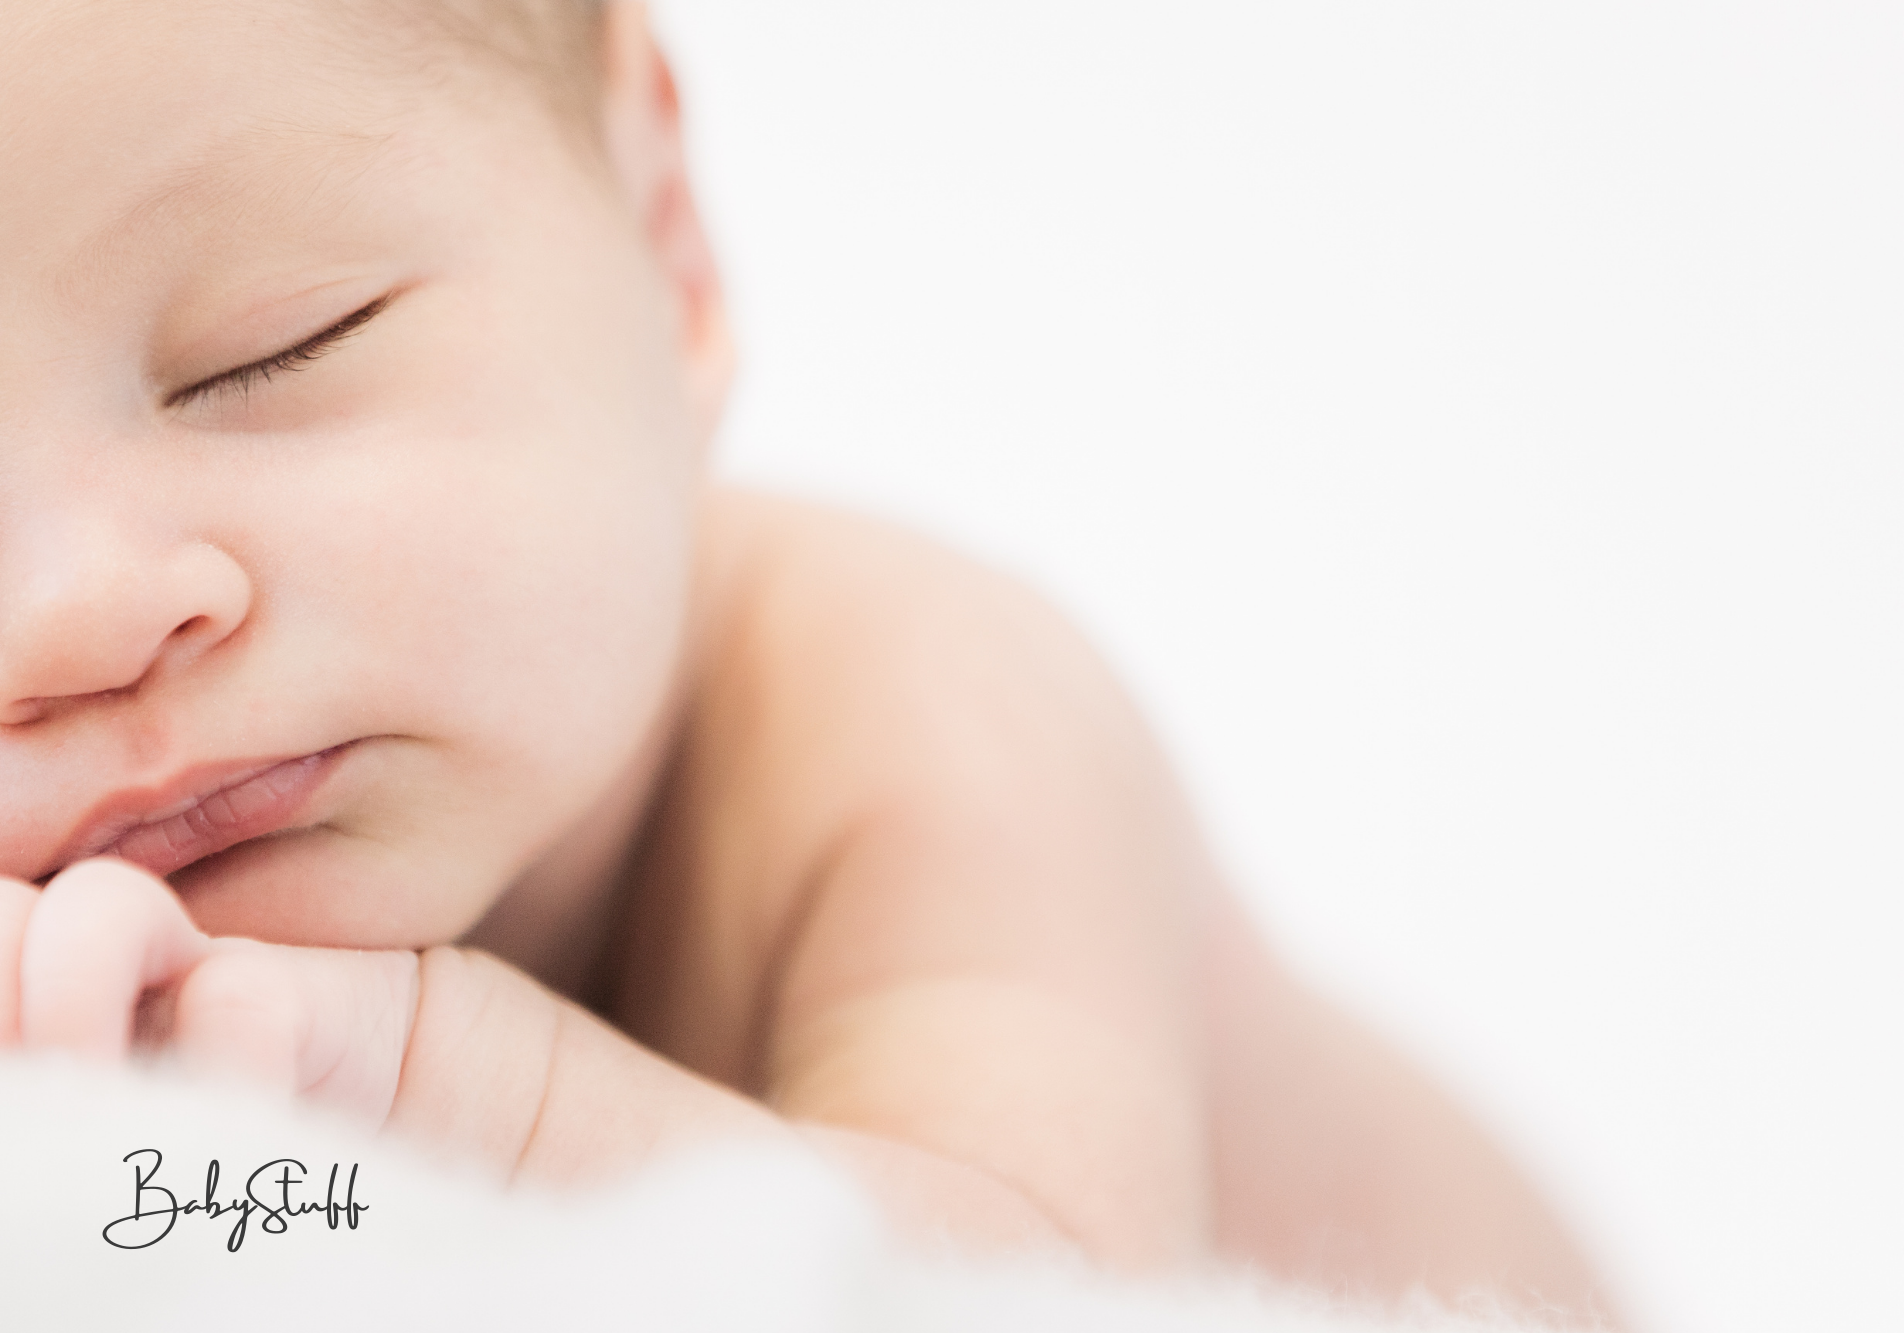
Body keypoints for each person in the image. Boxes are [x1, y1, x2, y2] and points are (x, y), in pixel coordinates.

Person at [0, 0, 1612, 1320]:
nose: (63, 622)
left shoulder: (923, 713)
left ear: (664, 229)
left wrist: (427, 1089)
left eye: (272, 349)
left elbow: (1027, 1289)